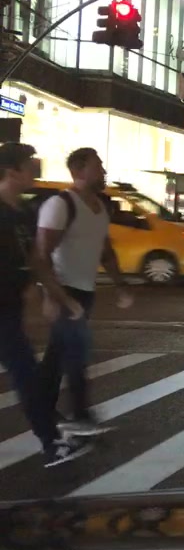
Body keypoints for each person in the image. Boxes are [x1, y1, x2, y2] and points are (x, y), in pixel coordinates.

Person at [0, 143, 92, 466]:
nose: (36, 167)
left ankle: (51, 437)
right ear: (11, 171)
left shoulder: (23, 213)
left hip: (9, 308)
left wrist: (54, 296)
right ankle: (51, 441)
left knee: (27, 373)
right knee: (26, 373)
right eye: (29, 163)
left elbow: (36, 261)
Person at [36, 147, 133, 437]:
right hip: (63, 290)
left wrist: (120, 285)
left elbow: (106, 251)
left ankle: (41, 408)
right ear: (79, 170)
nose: (103, 171)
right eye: (97, 166)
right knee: (76, 352)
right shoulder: (60, 205)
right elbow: (41, 255)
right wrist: (53, 296)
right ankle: (80, 414)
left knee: (57, 354)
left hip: (85, 290)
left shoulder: (100, 208)